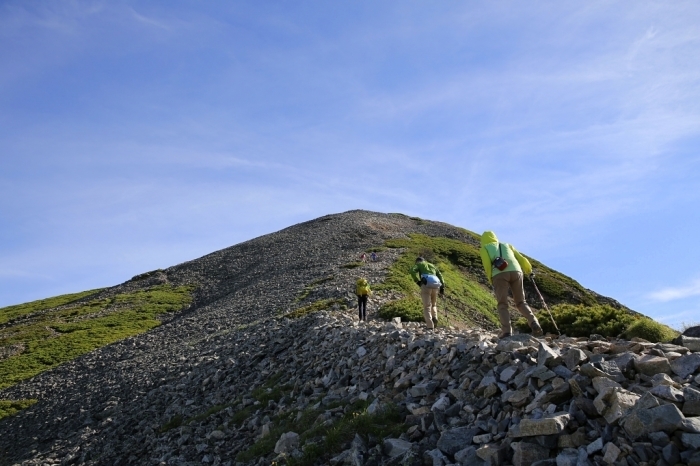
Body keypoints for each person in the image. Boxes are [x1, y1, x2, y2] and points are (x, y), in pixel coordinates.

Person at [479, 231, 543, 339]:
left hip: (499, 274)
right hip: (517, 271)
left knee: (502, 304)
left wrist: (491, 279)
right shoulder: (507, 245)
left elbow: (487, 265)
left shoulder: (484, 249)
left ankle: (507, 331)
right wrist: (529, 270)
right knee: (521, 302)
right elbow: (521, 258)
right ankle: (533, 322)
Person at [410, 257, 445, 330]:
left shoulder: (419, 264)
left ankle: (430, 326)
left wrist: (417, 281)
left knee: (427, 306)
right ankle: (435, 317)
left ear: (417, 261)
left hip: (426, 286)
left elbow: (412, 271)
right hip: (435, 286)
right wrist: (442, 288)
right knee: (434, 304)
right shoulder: (432, 265)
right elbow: (440, 275)